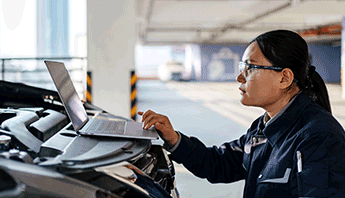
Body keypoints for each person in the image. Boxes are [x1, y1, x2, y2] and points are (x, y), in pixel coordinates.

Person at [138, 30, 345, 198]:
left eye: (250, 68)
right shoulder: (261, 129)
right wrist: (173, 139)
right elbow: (218, 164)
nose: (239, 77)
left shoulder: (318, 138)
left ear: (284, 78)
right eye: (241, 67)